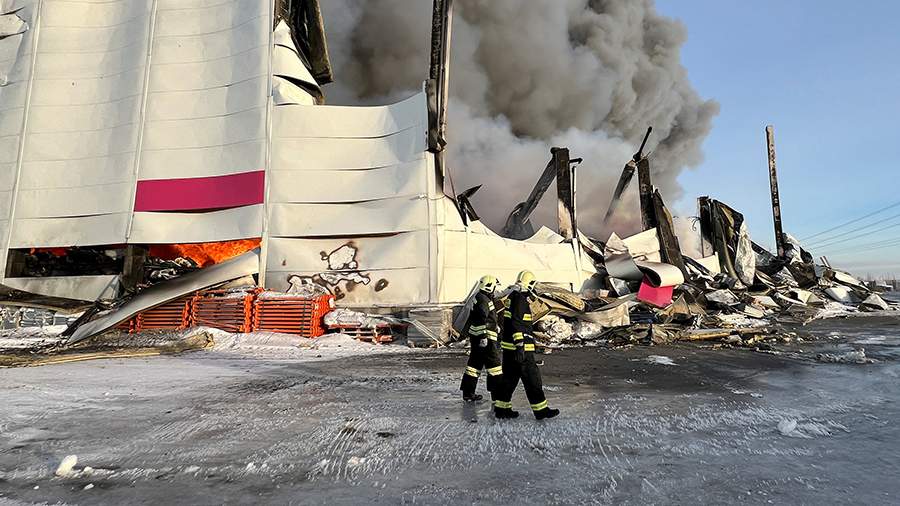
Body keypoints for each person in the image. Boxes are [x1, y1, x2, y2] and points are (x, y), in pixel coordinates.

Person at [493, 271, 560, 420]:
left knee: (509, 380)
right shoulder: (520, 300)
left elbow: (510, 323)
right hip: (521, 349)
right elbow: (518, 324)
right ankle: (541, 411)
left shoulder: (513, 297)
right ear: (529, 284)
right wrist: (520, 345)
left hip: (511, 349)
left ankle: (501, 408)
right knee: (532, 379)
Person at [459, 275, 504, 402]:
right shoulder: (484, 300)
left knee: (474, 365)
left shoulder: (480, 297)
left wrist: (495, 326)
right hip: (486, 339)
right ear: (489, 287)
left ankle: (468, 393)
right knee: (494, 366)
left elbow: (486, 317)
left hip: (478, 337)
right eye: (494, 286)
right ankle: (497, 396)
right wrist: (484, 336)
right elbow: (481, 319)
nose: (495, 289)